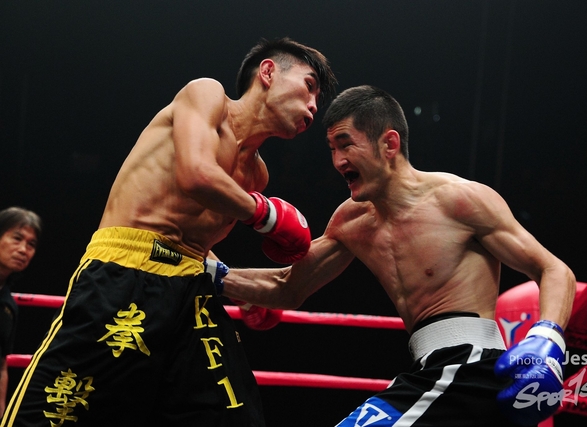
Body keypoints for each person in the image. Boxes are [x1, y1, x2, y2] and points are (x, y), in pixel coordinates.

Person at [1, 37, 337, 427]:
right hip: (125, 273)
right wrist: (266, 216)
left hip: (190, 288)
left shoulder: (256, 175)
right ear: (267, 72)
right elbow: (196, 175)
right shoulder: (206, 96)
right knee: (56, 411)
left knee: (233, 416)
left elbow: (194, 244)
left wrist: (237, 287)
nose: (314, 105)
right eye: (309, 86)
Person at [221, 85, 576, 426]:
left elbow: (554, 270)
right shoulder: (352, 221)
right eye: (331, 149)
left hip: (471, 368)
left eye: (346, 144)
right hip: (432, 370)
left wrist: (547, 339)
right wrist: (208, 272)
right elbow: (287, 287)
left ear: (389, 143)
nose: (338, 161)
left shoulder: (458, 200)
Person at [0, 207, 42, 418]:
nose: (24, 249)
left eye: (31, 244)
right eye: (17, 239)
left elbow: (1, 364)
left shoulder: (8, 305)